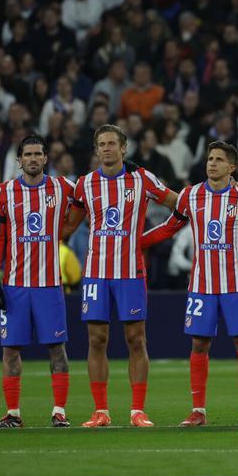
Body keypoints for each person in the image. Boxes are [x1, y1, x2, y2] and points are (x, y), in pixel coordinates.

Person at [140, 142, 238, 427]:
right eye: (210, 158)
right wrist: (137, 242)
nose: (212, 163)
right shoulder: (190, 195)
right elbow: (169, 228)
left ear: (231, 167)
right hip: (201, 285)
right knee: (199, 344)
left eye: (219, 160)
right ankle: (198, 410)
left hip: (235, 284)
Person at [62, 124, 178, 428]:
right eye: (101, 144)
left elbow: (178, 204)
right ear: (96, 149)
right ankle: (100, 410)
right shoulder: (84, 184)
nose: (107, 149)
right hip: (96, 274)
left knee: (135, 338)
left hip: (130, 272)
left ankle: (137, 410)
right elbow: (67, 227)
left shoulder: (141, 178)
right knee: (96, 339)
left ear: (124, 148)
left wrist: (158, 234)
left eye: (112, 143)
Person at [0, 134, 75, 428]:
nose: (33, 159)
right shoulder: (3, 192)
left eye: (38, 154)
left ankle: (59, 411)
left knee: (56, 348)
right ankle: (13, 414)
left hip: (49, 285)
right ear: (19, 159)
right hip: (14, 286)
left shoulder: (62, 187)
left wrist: (69, 228)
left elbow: (91, 198)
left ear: (46, 158)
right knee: (11, 349)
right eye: (28, 154)